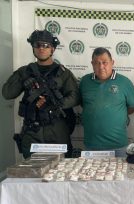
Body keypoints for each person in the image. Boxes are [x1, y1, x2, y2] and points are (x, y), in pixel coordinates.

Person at [2, 30, 80, 159]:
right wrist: (23, 78)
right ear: (33, 48)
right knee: (31, 171)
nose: (41, 49)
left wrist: (55, 103)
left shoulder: (63, 73)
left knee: (60, 171)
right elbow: (7, 93)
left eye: (46, 45)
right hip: (33, 130)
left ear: (52, 49)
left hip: (57, 129)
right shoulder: (25, 71)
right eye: (38, 45)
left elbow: (75, 97)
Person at [80, 47, 134, 157]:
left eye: (105, 63)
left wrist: (116, 114)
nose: (101, 67)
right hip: (91, 145)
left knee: (119, 174)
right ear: (92, 64)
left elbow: (133, 106)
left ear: (112, 62)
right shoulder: (84, 82)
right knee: (88, 174)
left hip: (118, 145)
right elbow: (84, 105)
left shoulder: (124, 82)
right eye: (97, 63)